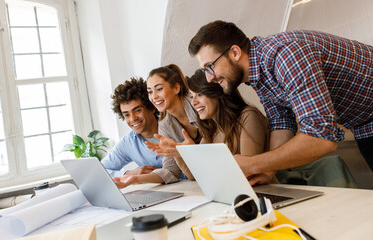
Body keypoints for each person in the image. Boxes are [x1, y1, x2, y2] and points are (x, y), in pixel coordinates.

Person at [188, 20, 373, 182]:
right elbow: (281, 121)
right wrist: (267, 170)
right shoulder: (256, 73)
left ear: (235, 53)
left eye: (209, 67)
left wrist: (254, 164)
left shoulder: (285, 56)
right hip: (363, 124)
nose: (209, 78)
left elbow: (321, 136)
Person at [149, 70, 273, 185]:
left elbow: (248, 173)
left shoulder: (248, 116)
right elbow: (194, 176)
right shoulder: (211, 128)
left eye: (200, 94)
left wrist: (196, 155)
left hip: (267, 195)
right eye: (192, 96)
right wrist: (177, 152)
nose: (194, 103)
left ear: (217, 92)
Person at [113, 64, 194, 188]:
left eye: (137, 110)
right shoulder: (165, 126)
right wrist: (132, 176)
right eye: (150, 91)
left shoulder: (197, 107)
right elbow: (171, 170)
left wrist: (190, 151)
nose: (133, 119)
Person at [101, 77, 162, 179]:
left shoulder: (173, 130)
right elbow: (101, 170)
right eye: (127, 115)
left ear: (152, 107)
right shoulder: (128, 143)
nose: (133, 118)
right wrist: (128, 174)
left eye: (138, 110)